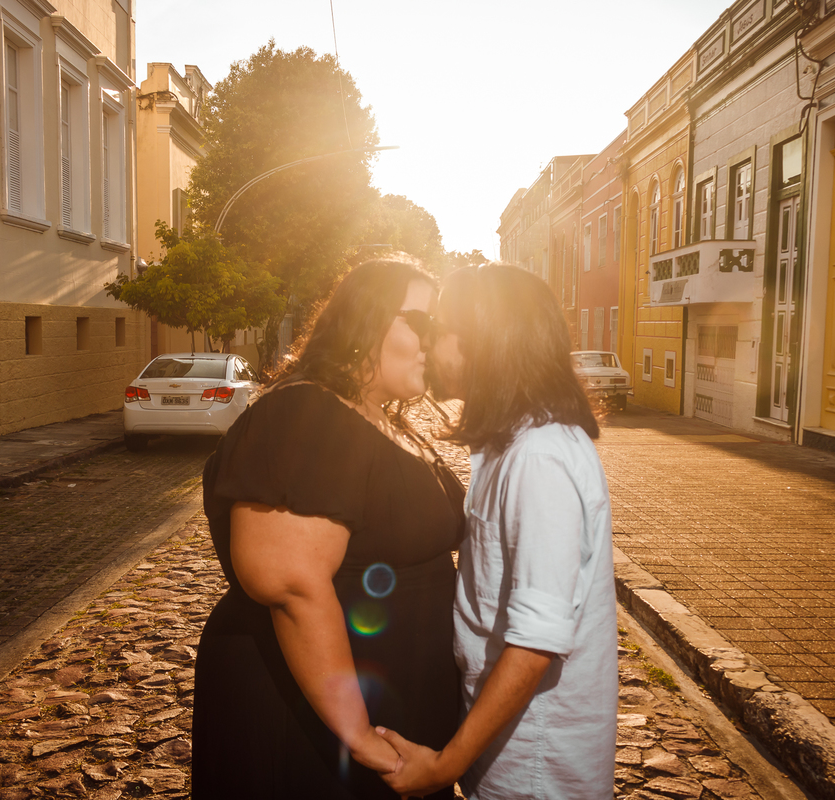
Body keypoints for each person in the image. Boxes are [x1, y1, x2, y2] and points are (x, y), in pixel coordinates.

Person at [194, 255, 466, 799]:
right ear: (366, 320)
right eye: (423, 323)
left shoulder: (384, 416)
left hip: (386, 700)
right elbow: (291, 584)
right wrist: (357, 734)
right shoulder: (308, 412)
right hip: (308, 715)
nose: (435, 343)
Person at [378, 264, 618, 799]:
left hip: (535, 761)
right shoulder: (506, 444)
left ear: (483, 340)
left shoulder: (539, 457)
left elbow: (536, 643)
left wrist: (444, 766)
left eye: (440, 327)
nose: (429, 341)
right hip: (507, 745)